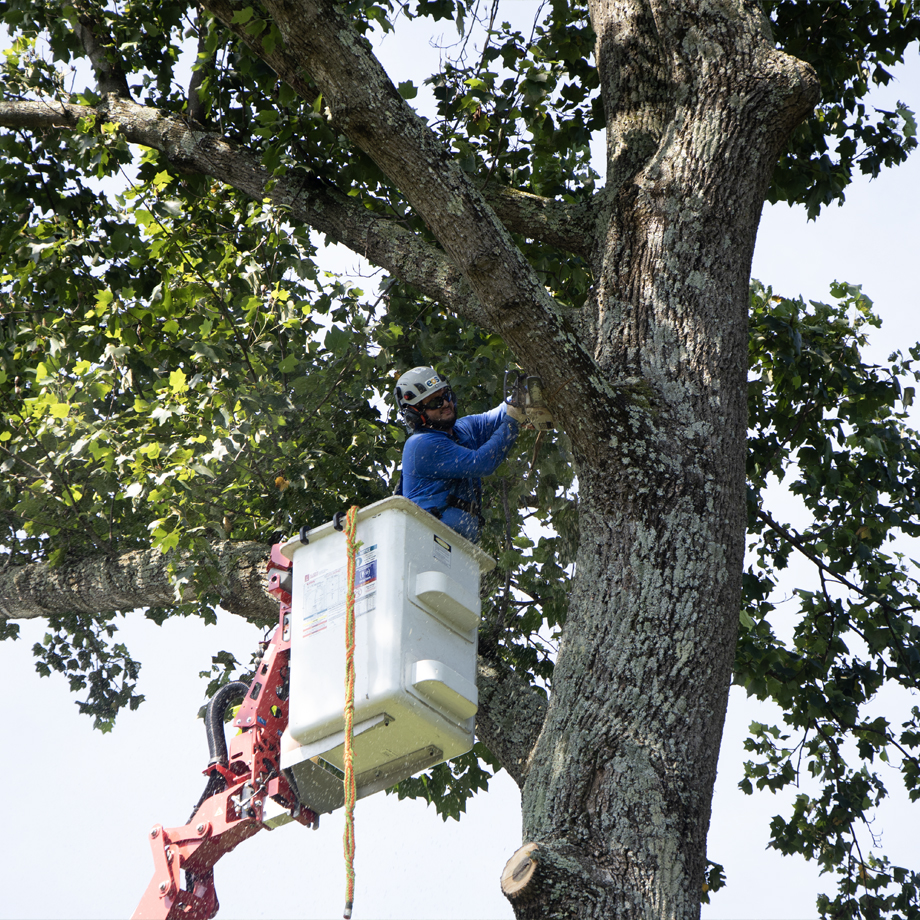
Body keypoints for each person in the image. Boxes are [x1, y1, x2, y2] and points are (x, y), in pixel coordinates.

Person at [395, 366, 523, 542]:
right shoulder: (421, 444)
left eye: (446, 396)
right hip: (426, 544)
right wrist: (513, 422)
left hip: (457, 549)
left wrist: (523, 394)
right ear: (416, 414)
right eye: (435, 402)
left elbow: (501, 413)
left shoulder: (462, 430)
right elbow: (481, 463)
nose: (446, 404)